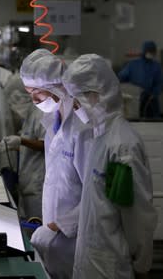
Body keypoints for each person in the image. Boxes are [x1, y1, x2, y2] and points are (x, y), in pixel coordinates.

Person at [63, 54, 157, 279]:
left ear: (95, 96)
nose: (75, 108)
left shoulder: (122, 146)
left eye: (77, 102)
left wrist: (142, 264)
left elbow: (136, 215)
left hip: (111, 265)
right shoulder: (99, 136)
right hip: (91, 258)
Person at [19, 48, 88, 279]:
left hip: (76, 240)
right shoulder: (52, 123)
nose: (34, 101)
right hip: (55, 237)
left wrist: (56, 227)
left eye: (36, 94)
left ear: (55, 88)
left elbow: (96, 195)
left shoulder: (82, 129)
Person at [0, 77, 45, 221]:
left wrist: (21, 141)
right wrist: (15, 146)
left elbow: (47, 146)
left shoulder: (42, 113)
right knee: (28, 225)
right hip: (27, 181)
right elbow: (31, 142)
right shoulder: (31, 111)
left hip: (38, 183)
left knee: (37, 224)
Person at [118, 40, 162, 118]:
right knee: (136, 118)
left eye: (152, 51)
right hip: (136, 97)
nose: (150, 53)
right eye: (149, 51)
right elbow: (121, 77)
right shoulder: (134, 64)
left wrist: (154, 93)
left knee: (153, 121)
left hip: (151, 99)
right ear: (144, 51)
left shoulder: (156, 66)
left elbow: (159, 82)